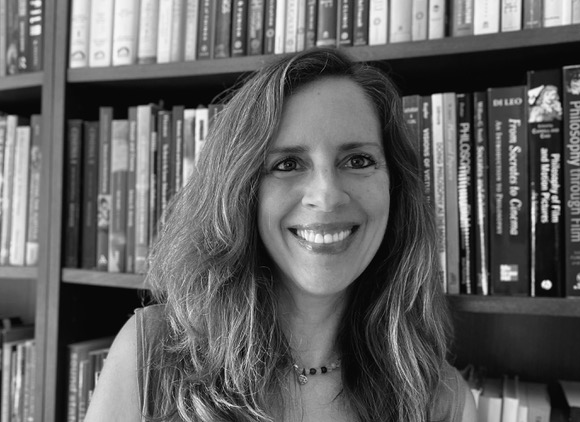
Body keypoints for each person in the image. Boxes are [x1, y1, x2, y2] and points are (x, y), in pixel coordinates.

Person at [85, 48, 477, 422]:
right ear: (241, 192)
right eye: (288, 163)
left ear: (396, 188)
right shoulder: (151, 356)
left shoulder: (442, 401)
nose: (326, 197)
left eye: (358, 160)